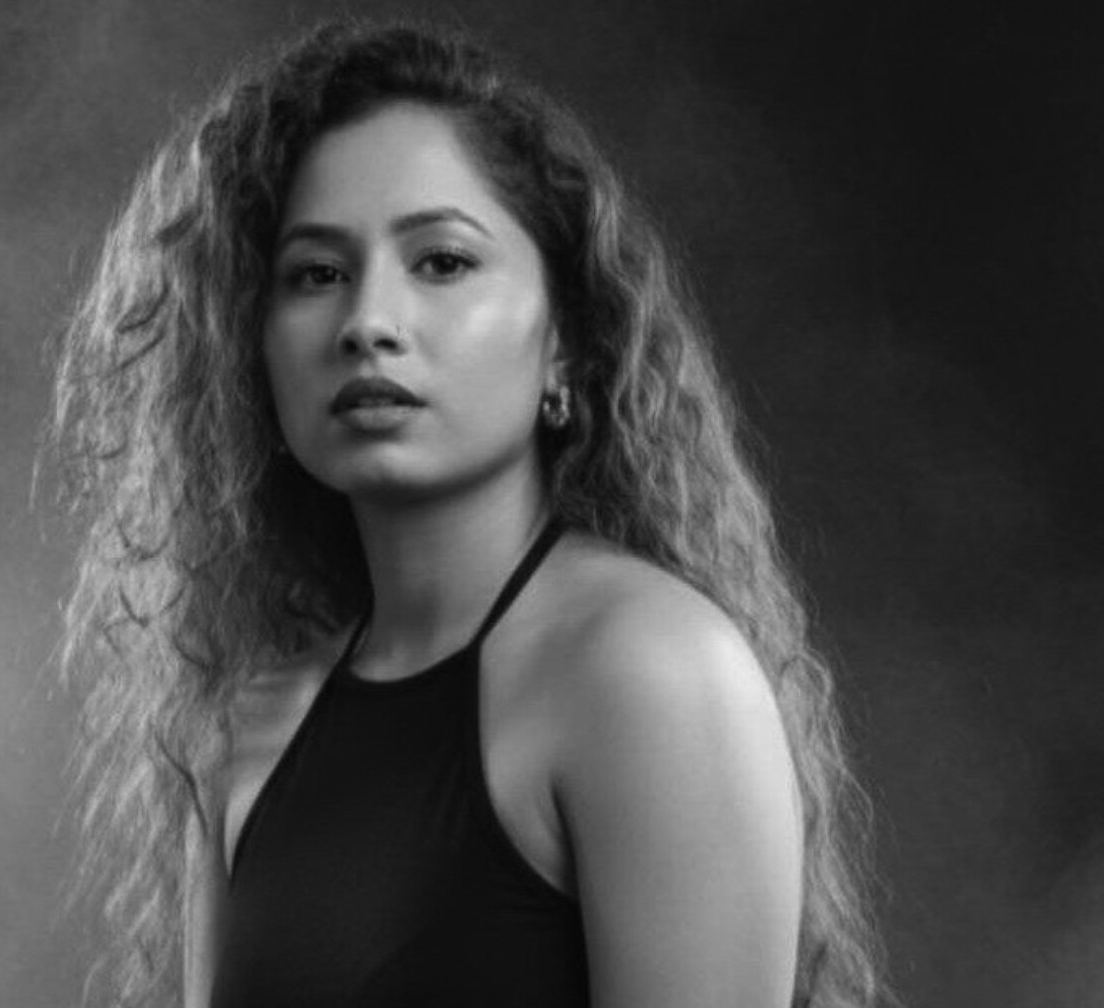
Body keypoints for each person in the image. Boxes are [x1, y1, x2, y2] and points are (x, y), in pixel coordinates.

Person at [50, 20, 885, 1008]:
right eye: (316, 273)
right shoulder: (248, 729)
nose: (369, 322)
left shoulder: (649, 670)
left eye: (442, 262)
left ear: (566, 341)